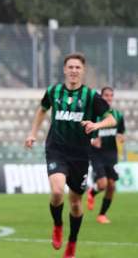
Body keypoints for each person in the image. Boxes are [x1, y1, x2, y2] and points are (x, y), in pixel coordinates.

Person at [24, 53, 116, 258]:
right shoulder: (54, 91)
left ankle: (72, 243)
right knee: (57, 192)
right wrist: (32, 133)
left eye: (77, 67)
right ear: (65, 70)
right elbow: (42, 110)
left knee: (75, 203)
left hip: (81, 155)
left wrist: (96, 124)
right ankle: (58, 226)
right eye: (70, 67)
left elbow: (111, 119)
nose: (74, 70)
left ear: (82, 71)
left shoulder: (91, 96)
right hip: (56, 149)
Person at [87, 87, 125, 224]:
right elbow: (85, 134)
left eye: (111, 95)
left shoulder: (118, 115)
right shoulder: (94, 115)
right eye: (106, 95)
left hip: (111, 154)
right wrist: (92, 140)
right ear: (101, 97)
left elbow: (120, 132)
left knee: (112, 186)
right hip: (96, 154)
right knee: (102, 184)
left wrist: (121, 137)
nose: (109, 98)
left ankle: (102, 214)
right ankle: (92, 192)